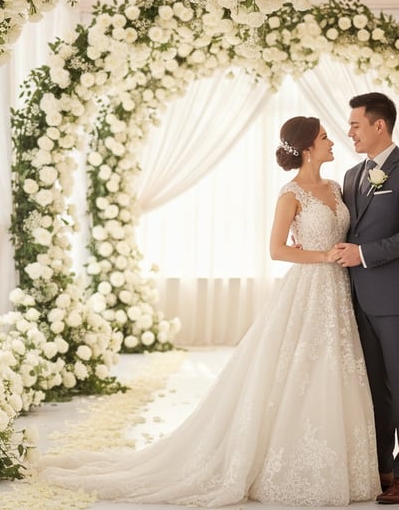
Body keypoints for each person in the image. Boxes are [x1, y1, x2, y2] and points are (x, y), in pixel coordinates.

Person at [38, 116, 380, 506]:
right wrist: (322, 255)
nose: (331, 140)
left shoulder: (337, 188)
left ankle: (337, 464)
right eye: (323, 137)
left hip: (339, 291)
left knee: (332, 370)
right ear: (306, 149)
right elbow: (277, 249)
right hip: (308, 289)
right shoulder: (291, 193)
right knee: (298, 370)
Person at [333, 92, 399, 503]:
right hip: (355, 300)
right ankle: (381, 470)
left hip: (394, 300)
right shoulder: (351, 175)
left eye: (356, 124)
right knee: (373, 388)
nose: (349, 131)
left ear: (379, 125)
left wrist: (365, 255)